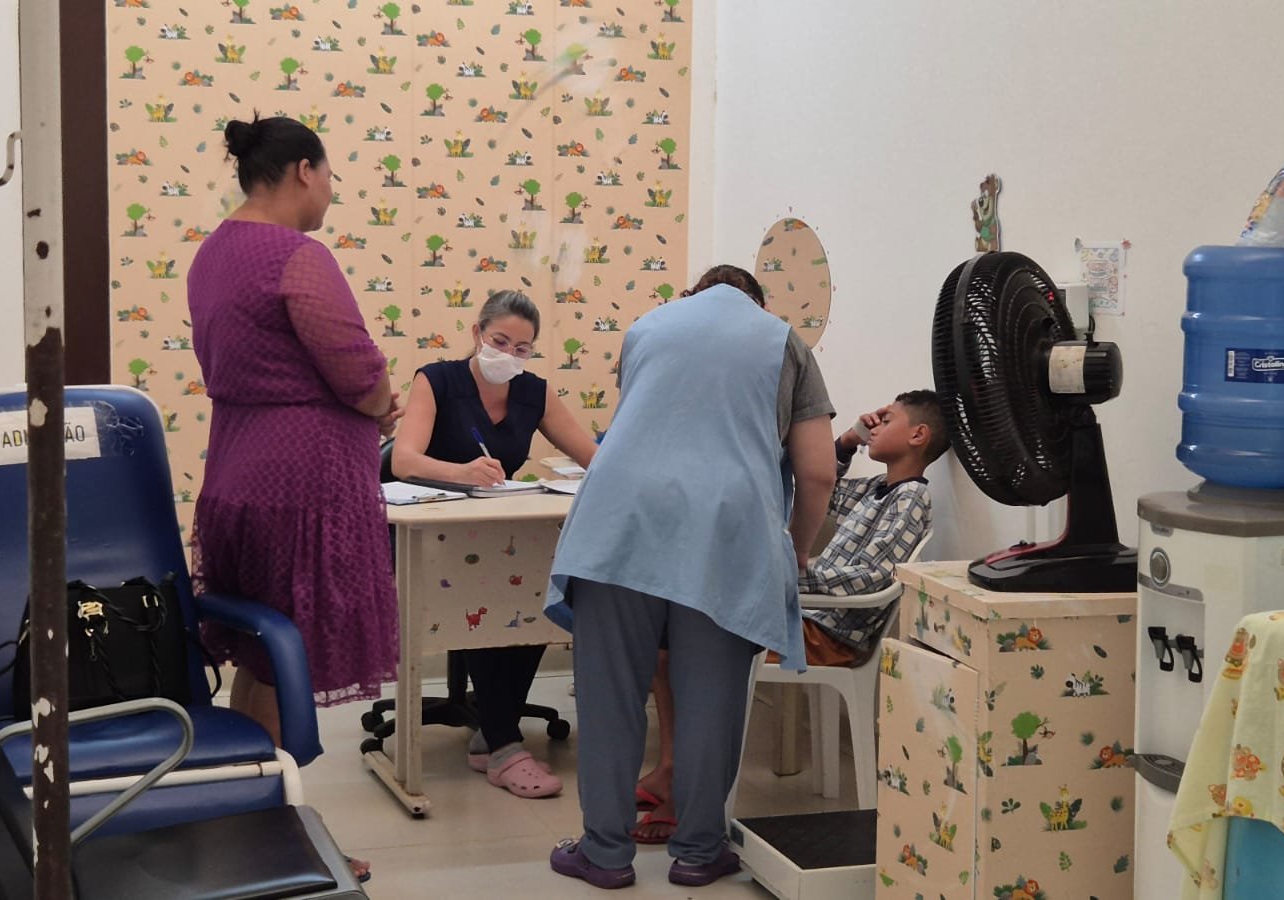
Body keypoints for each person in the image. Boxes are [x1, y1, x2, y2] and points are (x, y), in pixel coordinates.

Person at [543, 266, 838, 889]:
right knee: (711, 699)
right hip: (725, 533)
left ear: (691, 296)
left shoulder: (647, 328)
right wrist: (796, 550)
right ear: (759, 304)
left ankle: (604, 853)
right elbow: (818, 472)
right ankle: (700, 851)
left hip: (618, 525)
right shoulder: (784, 342)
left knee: (610, 695)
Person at [189, 114, 400, 882]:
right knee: (284, 661)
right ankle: (273, 841)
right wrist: (381, 403)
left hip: (236, 475)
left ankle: (245, 819)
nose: (332, 191)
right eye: (331, 175)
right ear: (304, 171)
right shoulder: (296, 257)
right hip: (299, 491)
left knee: (261, 654)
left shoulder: (212, 253)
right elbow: (355, 366)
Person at [632, 391, 947, 842]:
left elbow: (875, 578)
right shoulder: (880, 489)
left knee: (687, 649)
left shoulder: (911, 497)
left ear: (918, 435)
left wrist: (787, 573)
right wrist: (849, 439)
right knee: (670, 642)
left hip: (827, 631)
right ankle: (672, 771)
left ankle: (686, 792)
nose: (876, 425)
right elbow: (822, 487)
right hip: (808, 615)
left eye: (888, 419)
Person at [388, 290, 598, 799]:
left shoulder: (534, 393)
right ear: (477, 333)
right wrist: (460, 472)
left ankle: (495, 733)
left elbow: (594, 457)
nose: (509, 355)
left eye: (522, 349)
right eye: (499, 341)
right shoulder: (437, 380)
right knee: (487, 592)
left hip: (493, 531)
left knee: (539, 592)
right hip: (427, 533)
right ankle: (503, 742)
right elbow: (404, 460)